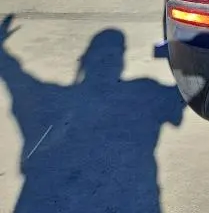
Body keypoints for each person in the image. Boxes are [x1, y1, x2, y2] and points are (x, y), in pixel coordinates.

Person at [0, 15, 183, 213]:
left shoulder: (55, 99)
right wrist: (186, 55)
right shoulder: (145, 92)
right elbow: (192, 93)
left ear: (85, 61)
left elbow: (16, 79)